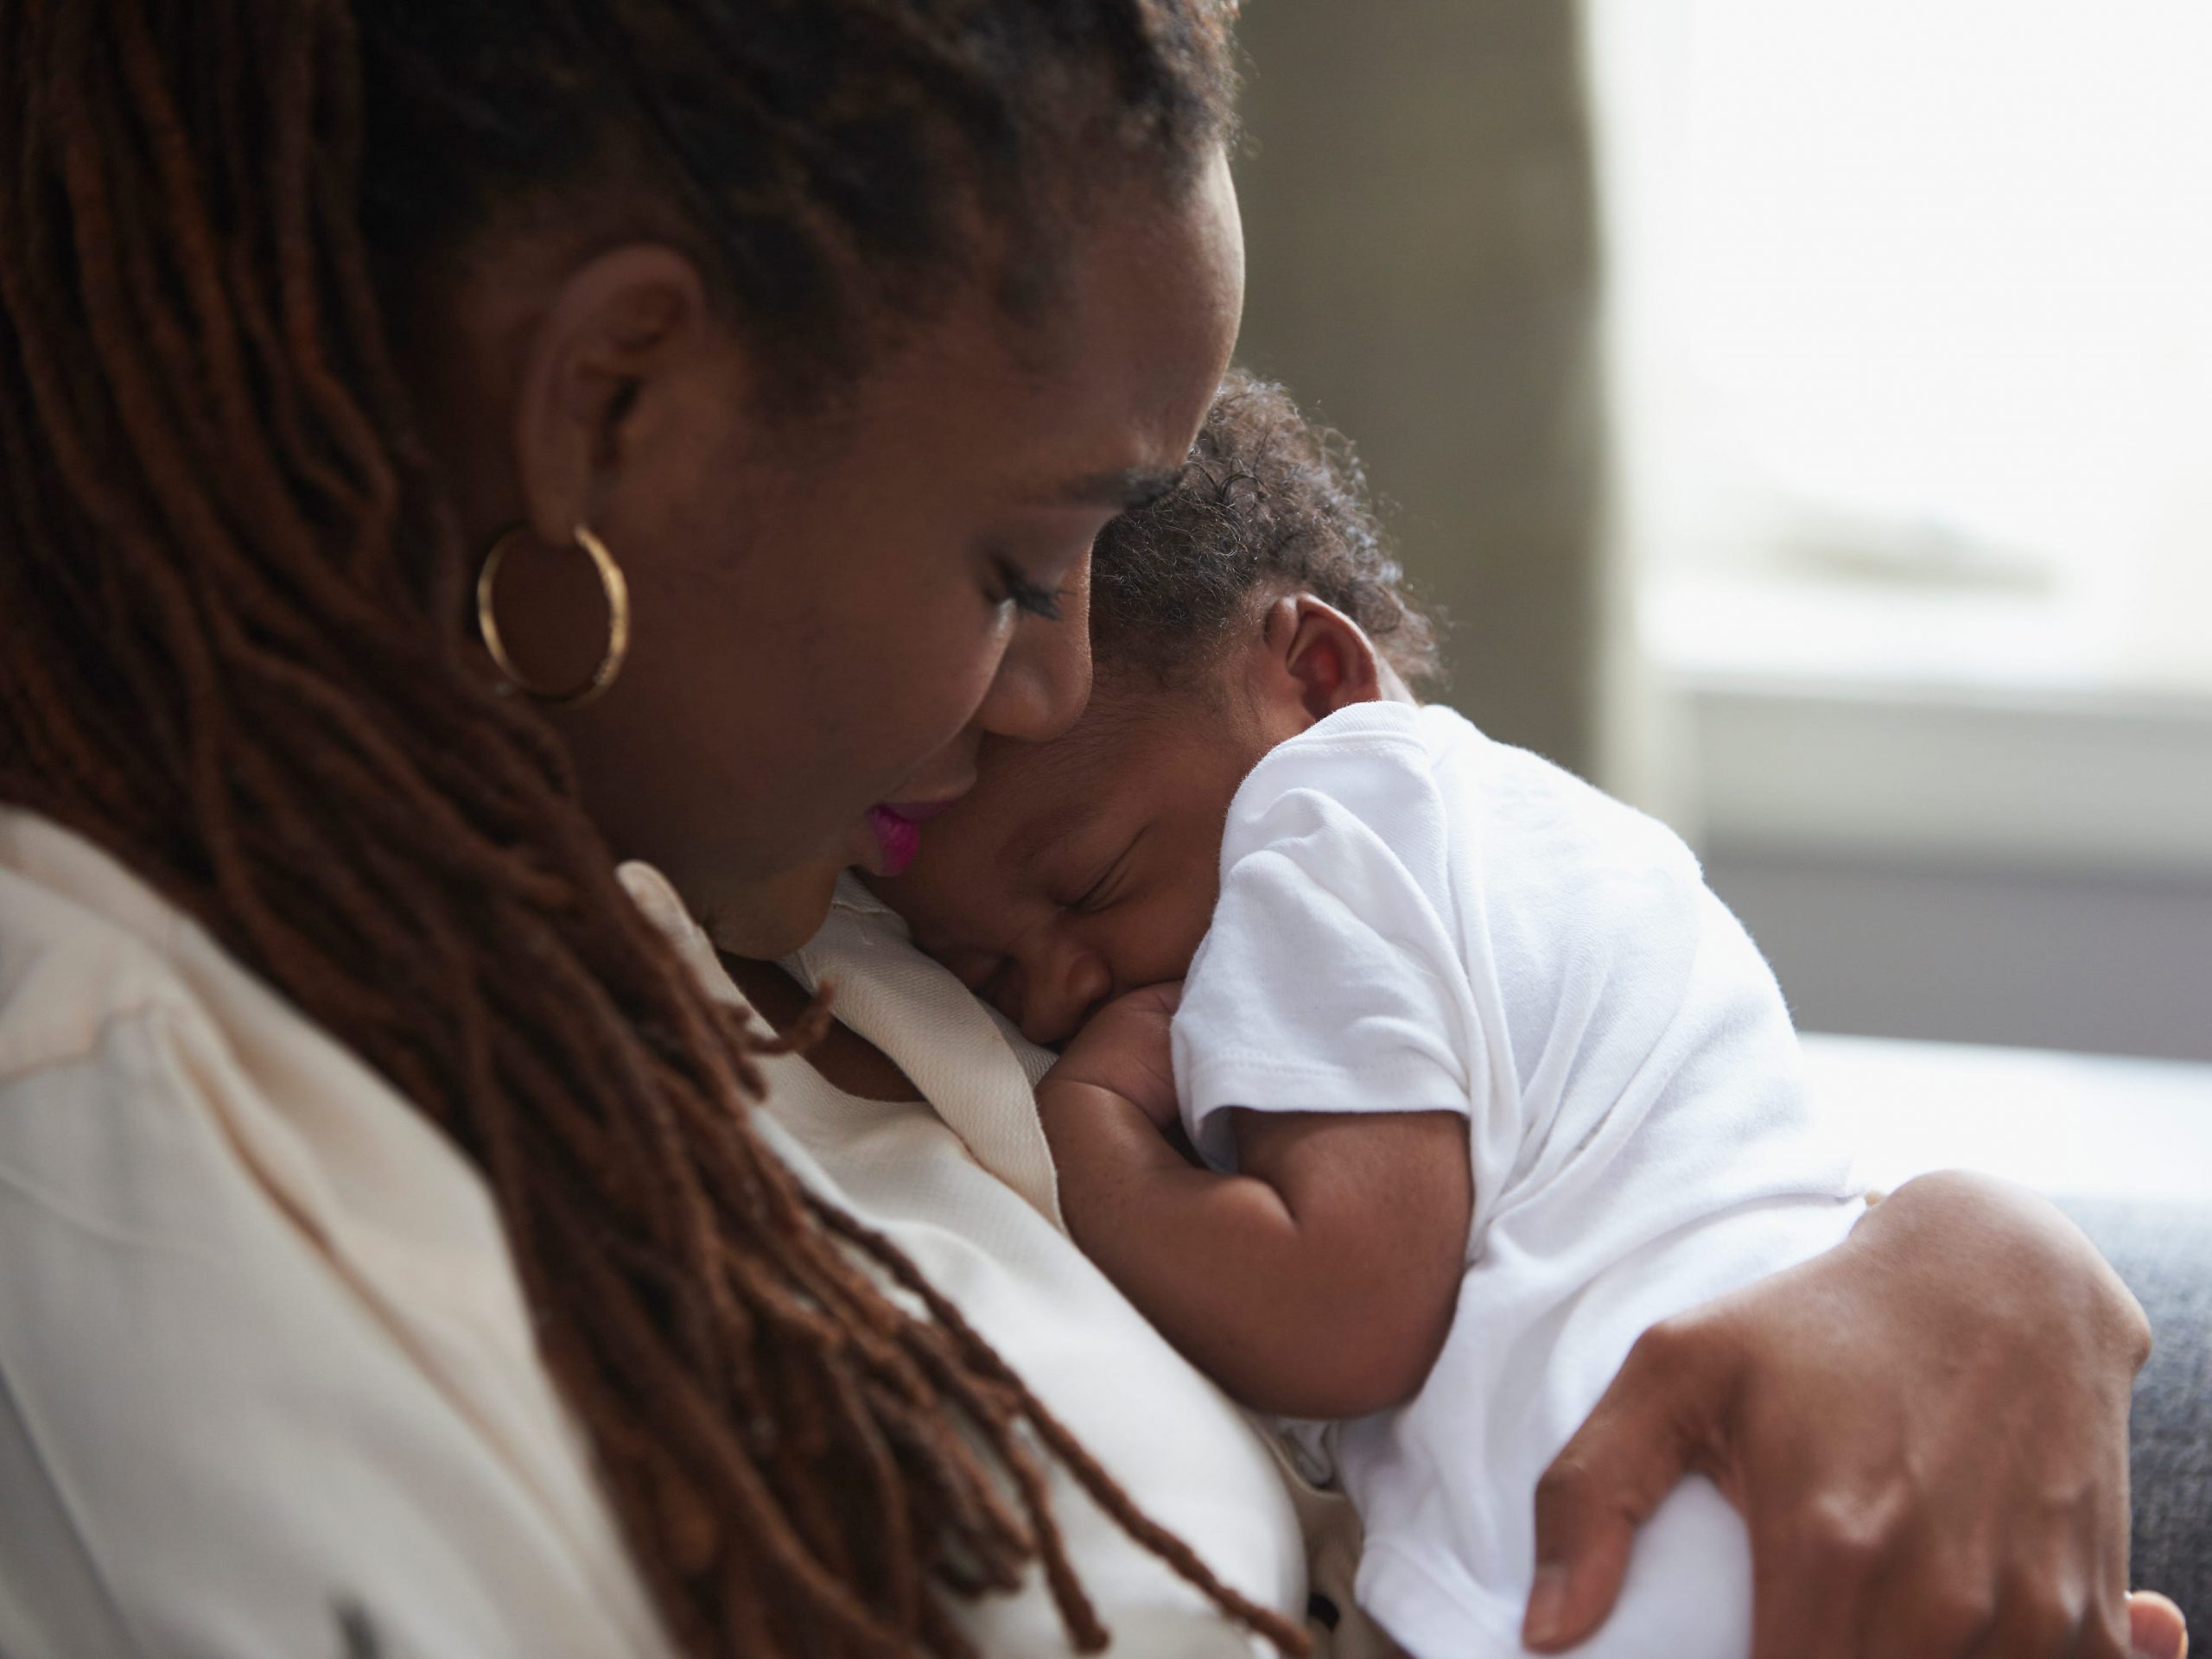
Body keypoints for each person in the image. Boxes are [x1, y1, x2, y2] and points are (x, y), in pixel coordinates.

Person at [0, 4, 2183, 1659]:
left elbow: (1520, 1094)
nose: (1040, 691)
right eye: (1012, 562)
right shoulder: (152, 1131)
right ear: (615, 403)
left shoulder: (791, 864)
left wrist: (1950, 1255)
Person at [871, 371, 1905, 1656]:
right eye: (985, 972)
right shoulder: (1525, 830)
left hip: (1680, 1556)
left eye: (1090, 884)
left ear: (1315, 677)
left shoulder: (1330, 820)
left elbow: (1340, 1312)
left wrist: (1082, 1134)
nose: (1058, 988)